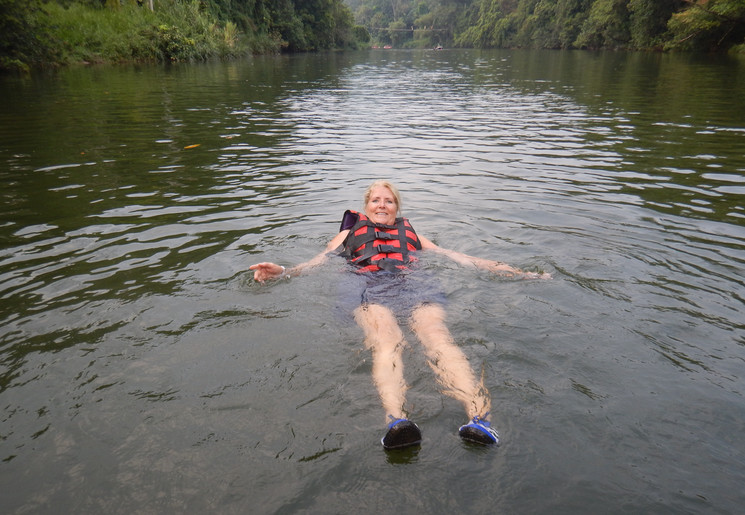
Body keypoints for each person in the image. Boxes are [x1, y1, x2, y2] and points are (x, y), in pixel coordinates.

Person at [250, 180, 550, 450]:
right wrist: (283, 272)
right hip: (370, 288)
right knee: (386, 338)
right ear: (366, 208)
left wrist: (514, 272)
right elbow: (314, 264)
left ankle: (480, 420)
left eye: (389, 200)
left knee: (438, 338)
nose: (382, 204)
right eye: (376, 200)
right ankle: (397, 421)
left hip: (413, 287)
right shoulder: (347, 234)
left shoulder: (413, 234)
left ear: (397, 208)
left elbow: (459, 258)